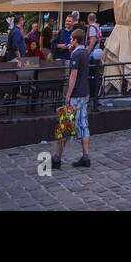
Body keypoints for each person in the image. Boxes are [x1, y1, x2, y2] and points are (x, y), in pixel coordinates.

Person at [52, 29, 92, 169]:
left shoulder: (76, 55)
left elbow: (74, 75)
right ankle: (86, 156)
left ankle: (56, 158)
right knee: (83, 123)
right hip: (85, 92)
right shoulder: (86, 53)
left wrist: (68, 94)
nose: (70, 42)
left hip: (75, 94)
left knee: (65, 124)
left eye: (71, 40)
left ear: (75, 40)